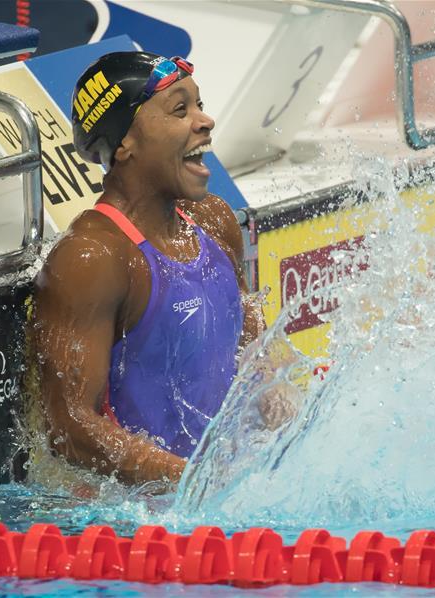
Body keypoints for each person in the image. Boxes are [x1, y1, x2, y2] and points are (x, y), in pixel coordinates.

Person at [33, 52, 264, 486]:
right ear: (124, 143)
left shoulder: (214, 221)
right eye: (181, 109)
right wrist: (193, 481)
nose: (205, 120)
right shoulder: (92, 259)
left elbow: (253, 348)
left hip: (229, 491)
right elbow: (69, 428)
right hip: (146, 527)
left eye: (199, 104)